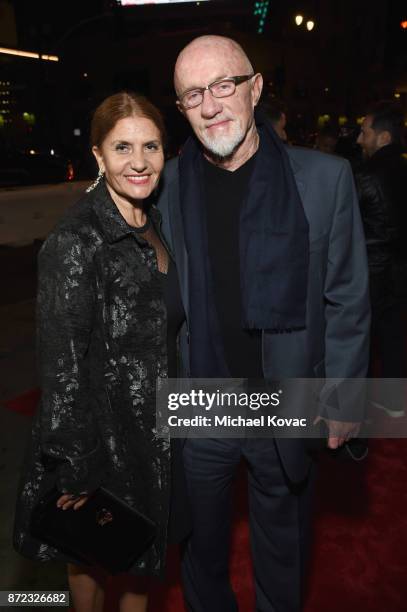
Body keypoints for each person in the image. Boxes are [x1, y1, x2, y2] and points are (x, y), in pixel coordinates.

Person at [157, 35, 370, 611]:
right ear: (181, 108)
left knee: (284, 544)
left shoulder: (325, 179)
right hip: (201, 399)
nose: (210, 104)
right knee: (198, 548)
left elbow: (346, 298)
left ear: (254, 89)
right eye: (192, 94)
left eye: (223, 85)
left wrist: (346, 398)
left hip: (287, 396)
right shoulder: (167, 186)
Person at [13, 92, 190, 612]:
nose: (139, 161)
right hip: (101, 438)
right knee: (93, 556)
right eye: (122, 147)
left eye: (151, 146)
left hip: (151, 430)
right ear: (98, 155)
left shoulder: (151, 221)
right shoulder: (77, 240)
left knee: (140, 563)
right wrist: (79, 466)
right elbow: (62, 365)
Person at [355, 100, 407, 412]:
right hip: (400, 269)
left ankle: (353, 409)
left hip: (371, 270)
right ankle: (393, 401)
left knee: (359, 340)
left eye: (364, 133)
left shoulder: (365, 175)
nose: (359, 139)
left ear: (383, 138)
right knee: (393, 337)